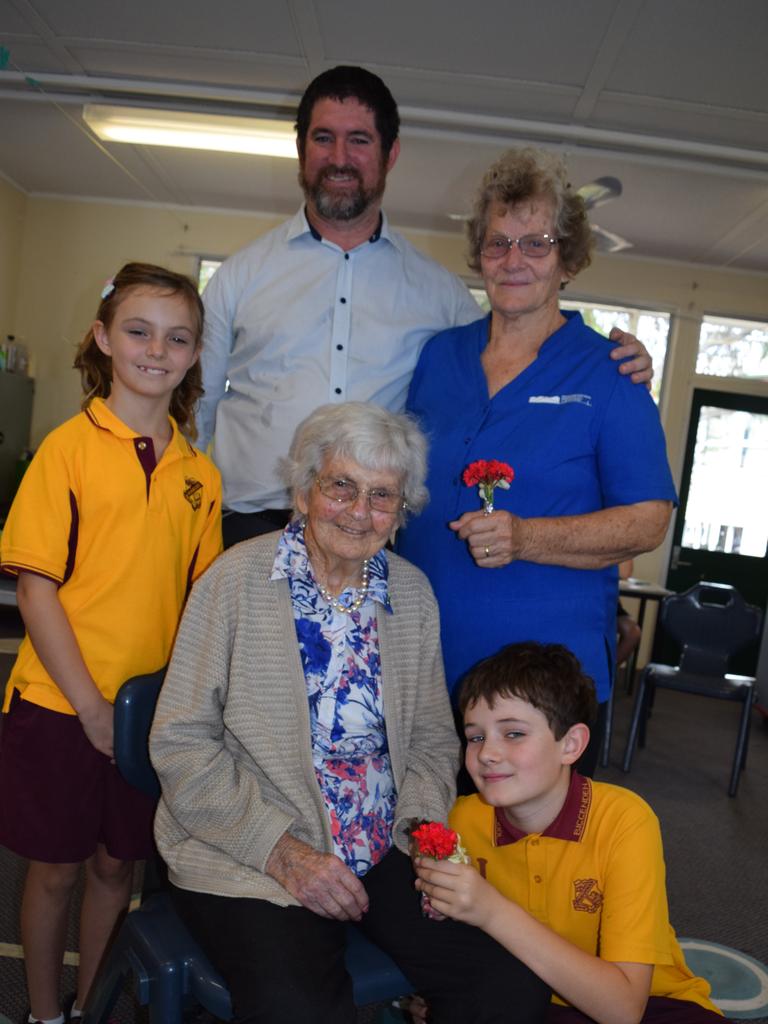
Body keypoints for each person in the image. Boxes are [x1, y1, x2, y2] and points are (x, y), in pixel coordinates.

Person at [149, 402, 551, 1024]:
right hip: (252, 848)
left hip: (384, 843)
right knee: (301, 1010)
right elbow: (181, 743)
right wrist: (284, 853)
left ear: (400, 510)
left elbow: (429, 741)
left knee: (508, 987)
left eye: (382, 496)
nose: (360, 512)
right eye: (342, 486)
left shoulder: (411, 594)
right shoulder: (234, 582)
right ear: (306, 489)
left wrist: (422, 832)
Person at [196, 64, 654, 547]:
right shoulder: (238, 277)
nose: (339, 157)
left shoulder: (442, 297)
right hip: (248, 531)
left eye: (359, 140)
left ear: (390, 153)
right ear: (301, 148)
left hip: (371, 542)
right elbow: (194, 413)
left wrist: (623, 361)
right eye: (323, 138)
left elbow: (510, 363)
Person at [397, 147, 677, 775]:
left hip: (545, 693)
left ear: (569, 259)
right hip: (422, 670)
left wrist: (526, 537)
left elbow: (649, 522)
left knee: (529, 864)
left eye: (537, 243)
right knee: (420, 852)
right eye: (498, 244)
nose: (513, 260)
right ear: (478, 255)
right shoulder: (440, 357)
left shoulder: (610, 374)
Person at [0, 263, 222, 1024]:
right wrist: (93, 708)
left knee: (114, 868)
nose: (156, 350)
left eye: (177, 336)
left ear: (194, 354)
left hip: (147, 717)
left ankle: (89, 1007)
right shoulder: (66, 450)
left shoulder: (202, 475)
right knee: (54, 871)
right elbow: (36, 591)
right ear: (103, 338)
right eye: (138, 330)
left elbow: (200, 605)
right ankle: (42, 1012)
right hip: (60, 705)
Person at [415, 642, 725, 1024]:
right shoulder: (461, 820)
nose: (487, 753)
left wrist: (489, 910)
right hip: (528, 998)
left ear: (571, 744)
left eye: (513, 734)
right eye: (475, 736)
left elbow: (624, 1010)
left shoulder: (625, 820)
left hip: (654, 1002)